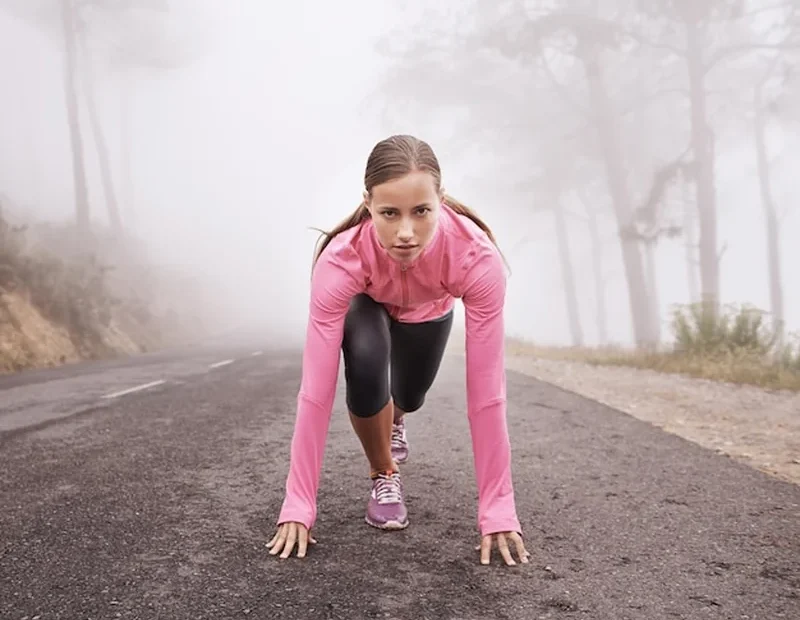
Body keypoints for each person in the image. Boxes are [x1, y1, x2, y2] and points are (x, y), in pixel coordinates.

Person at [266, 134, 529, 567]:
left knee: (409, 396)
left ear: (440, 201)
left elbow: (487, 396)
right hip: (368, 305)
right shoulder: (341, 259)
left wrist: (498, 511)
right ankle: (384, 472)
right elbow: (315, 394)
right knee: (368, 366)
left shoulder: (476, 258)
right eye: (389, 214)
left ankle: (397, 418)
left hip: (430, 314)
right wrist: (298, 506)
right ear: (368, 204)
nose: (405, 233)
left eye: (421, 212)